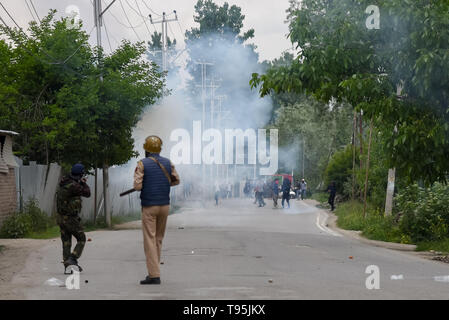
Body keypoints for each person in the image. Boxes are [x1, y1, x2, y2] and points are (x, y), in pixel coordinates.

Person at [134, 135, 180, 285]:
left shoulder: (142, 163)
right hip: (165, 206)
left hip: (149, 206)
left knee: (149, 240)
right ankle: (155, 271)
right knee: (158, 239)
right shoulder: (168, 162)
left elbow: (137, 186)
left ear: (146, 149)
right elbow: (176, 180)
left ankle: (154, 275)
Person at [56, 163, 91, 274]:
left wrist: (79, 181)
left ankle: (68, 267)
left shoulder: (64, 182)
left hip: (61, 218)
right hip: (70, 219)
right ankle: (73, 258)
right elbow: (87, 193)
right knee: (81, 238)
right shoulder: (74, 186)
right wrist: (84, 183)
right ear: (80, 175)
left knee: (66, 242)